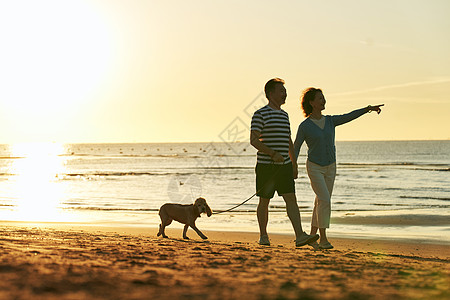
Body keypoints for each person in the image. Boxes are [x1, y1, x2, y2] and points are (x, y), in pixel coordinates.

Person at [294, 87, 383, 250]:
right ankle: (323, 239)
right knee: (325, 200)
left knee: (320, 202)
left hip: (330, 166)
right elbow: (296, 147)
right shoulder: (305, 126)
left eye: (324, 98)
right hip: (314, 167)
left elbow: (349, 116)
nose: (323, 101)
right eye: (320, 98)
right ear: (311, 102)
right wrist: (291, 164)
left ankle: (313, 238)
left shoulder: (330, 121)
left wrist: (367, 109)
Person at [250, 78, 320, 247]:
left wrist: (293, 163)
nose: (285, 94)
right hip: (266, 166)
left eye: (285, 91)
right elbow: (254, 140)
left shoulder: (284, 115)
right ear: (270, 94)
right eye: (281, 91)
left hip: (285, 166)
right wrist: (272, 153)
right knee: (264, 200)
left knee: (291, 199)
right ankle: (263, 236)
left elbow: (288, 140)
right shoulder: (260, 114)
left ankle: (300, 235)